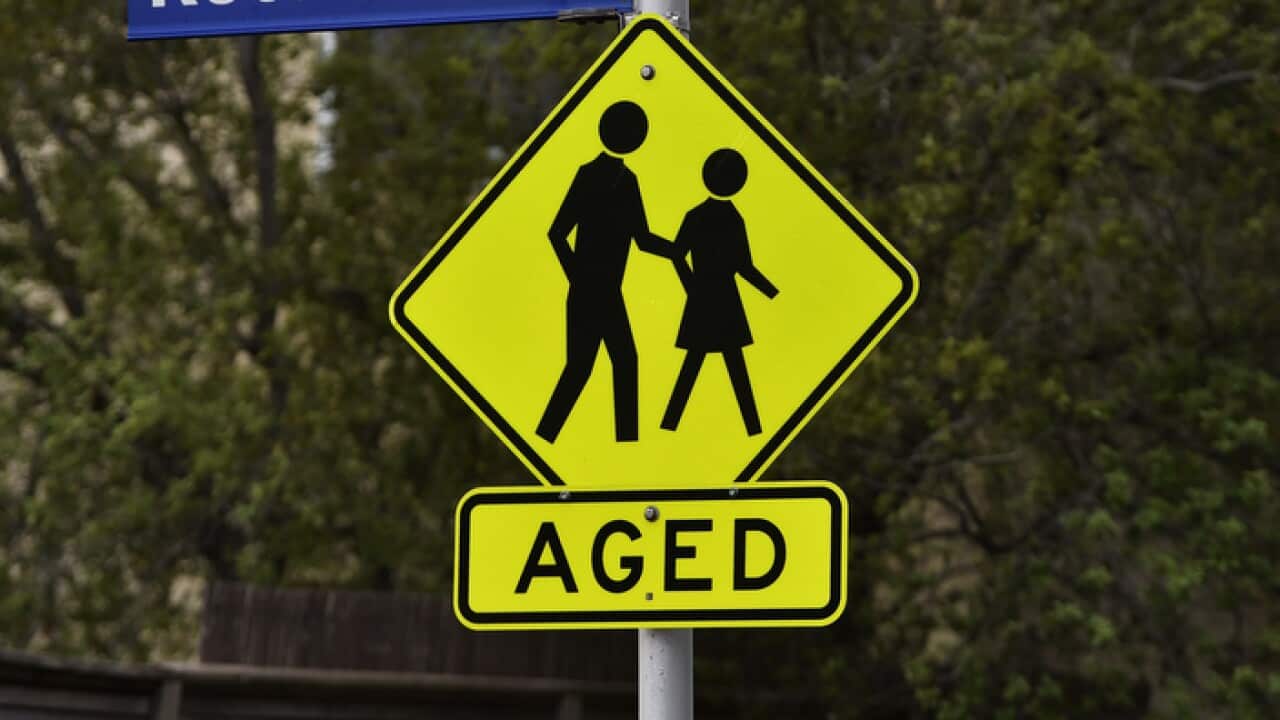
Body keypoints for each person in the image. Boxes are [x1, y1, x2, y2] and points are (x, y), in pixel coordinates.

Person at [536, 101, 675, 444]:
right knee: (584, 367)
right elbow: (556, 232)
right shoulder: (589, 175)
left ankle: (624, 445)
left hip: (608, 292)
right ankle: (547, 436)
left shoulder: (628, 181)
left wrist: (676, 250)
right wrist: (577, 276)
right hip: (589, 292)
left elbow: (641, 239)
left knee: (621, 362)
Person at [661, 148, 778, 436]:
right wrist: (773, 293)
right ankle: (751, 427)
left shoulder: (698, 215)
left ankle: (670, 425)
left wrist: (692, 287)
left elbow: (677, 255)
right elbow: (744, 267)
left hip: (707, 299)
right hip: (723, 299)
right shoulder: (732, 218)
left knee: (702, 363)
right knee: (729, 365)